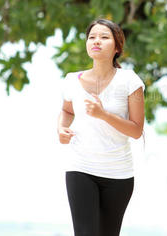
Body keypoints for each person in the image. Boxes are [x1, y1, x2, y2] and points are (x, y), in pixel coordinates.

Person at [57, 18, 145, 236]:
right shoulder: (71, 80)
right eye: (92, 37)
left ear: (116, 47)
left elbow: (136, 130)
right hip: (81, 168)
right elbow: (67, 111)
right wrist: (61, 129)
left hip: (118, 174)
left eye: (104, 37)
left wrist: (103, 114)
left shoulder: (129, 81)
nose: (96, 41)